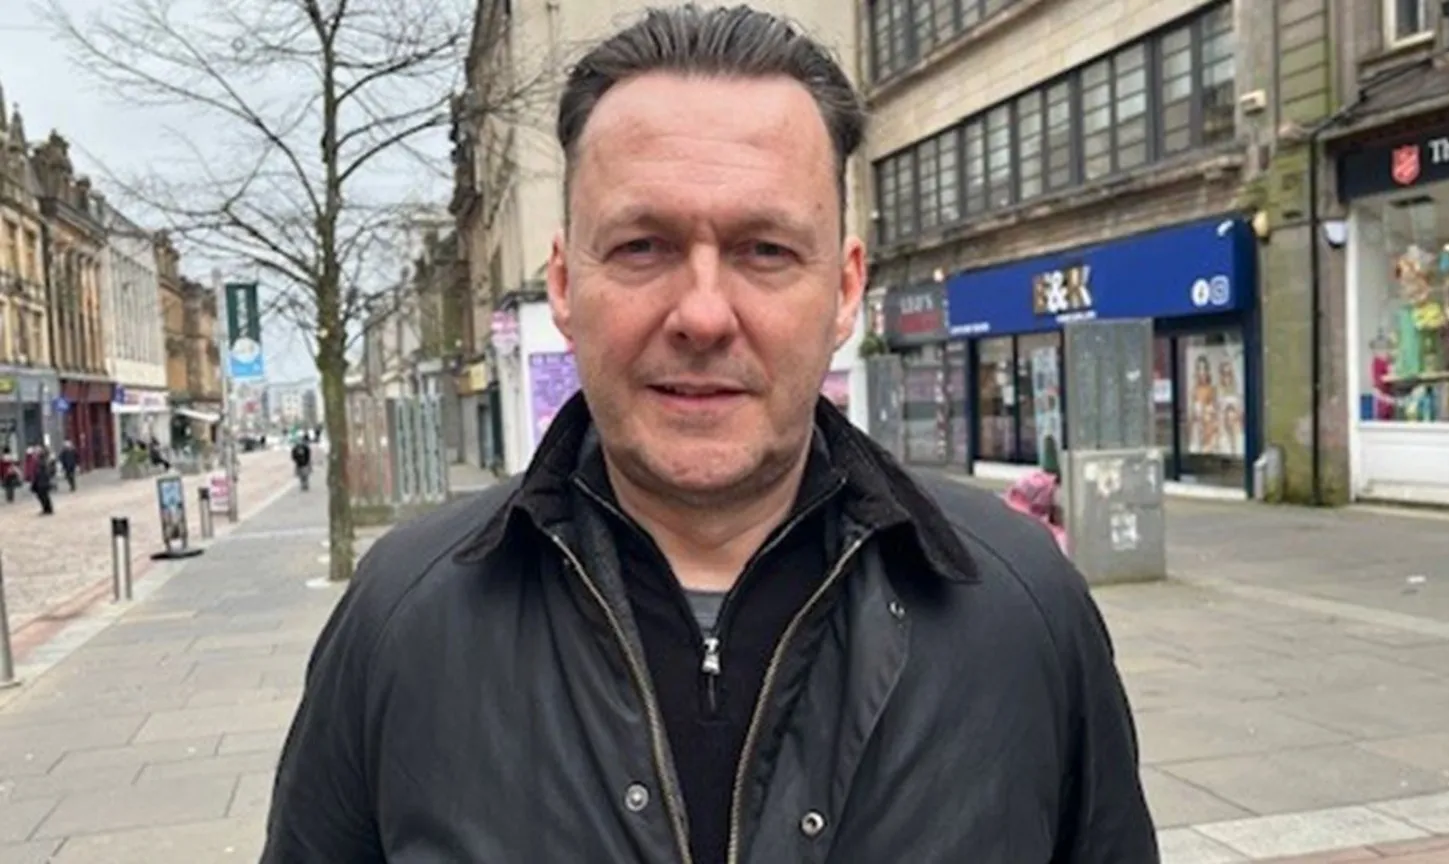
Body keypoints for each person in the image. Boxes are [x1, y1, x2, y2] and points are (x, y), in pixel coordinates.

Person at [261, 6, 1155, 863]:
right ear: (566, 286)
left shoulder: (1023, 610)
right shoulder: (402, 622)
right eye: (643, 246)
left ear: (845, 291)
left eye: (764, 250)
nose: (701, 314)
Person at [28, 444, 54, 516]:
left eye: (37, 450)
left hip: (42, 480)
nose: (35, 452)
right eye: (35, 450)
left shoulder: (42, 458)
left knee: (44, 495)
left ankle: (48, 509)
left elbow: (44, 468)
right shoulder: (35, 458)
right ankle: (46, 509)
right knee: (41, 495)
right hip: (38, 480)